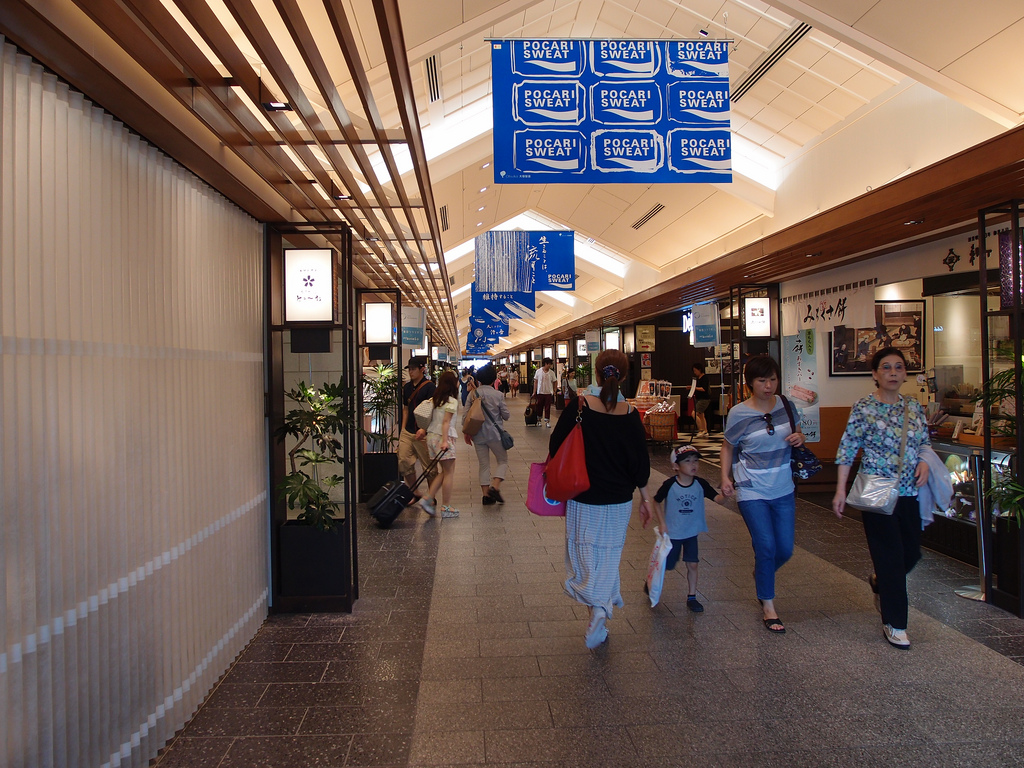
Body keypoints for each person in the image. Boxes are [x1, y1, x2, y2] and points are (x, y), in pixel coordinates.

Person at [550, 349, 652, 649]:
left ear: (596, 373)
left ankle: (596, 606)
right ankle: (600, 610)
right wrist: (645, 499)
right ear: (622, 376)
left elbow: (556, 445)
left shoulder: (579, 406)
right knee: (609, 555)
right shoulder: (631, 415)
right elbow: (640, 465)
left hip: (583, 496)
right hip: (619, 500)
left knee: (584, 555)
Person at [832, 347, 930, 650]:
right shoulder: (864, 407)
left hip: (909, 492)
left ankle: (880, 581)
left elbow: (924, 441)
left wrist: (924, 461)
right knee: (890, 557)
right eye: (886, 368)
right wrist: (840, 490)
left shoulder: (913, 407)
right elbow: (848, 449)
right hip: (876, 488)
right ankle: (895, 623)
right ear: (875, 374)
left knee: (911, 553)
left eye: (898, 367)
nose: (892, 373)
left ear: (904, 373)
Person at [720, 355, 806, 634]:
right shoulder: (738, 413)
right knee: (766, 546)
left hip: (783, 487)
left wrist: (799, 437)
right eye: (761, 380)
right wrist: (725, 477)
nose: (768, 386)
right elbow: (728, 446)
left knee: (785, 549)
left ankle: (762, 573)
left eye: (772, 379)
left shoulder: (786, 405)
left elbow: (798, 432)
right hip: (751, 488)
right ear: (750, 384)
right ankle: (768, 605)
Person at [650, 445, 722, 612]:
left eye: (695, 461)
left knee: (693, 564)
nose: (693, 464)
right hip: (673, 534)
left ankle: (692, 596)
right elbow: (656, 501)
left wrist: (726, 493)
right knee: (667, 565)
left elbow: (717, 499)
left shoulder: (700, 484)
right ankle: (651, 582)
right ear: (676, 466)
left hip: (691, 533)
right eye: (687, 461)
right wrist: (662, 522)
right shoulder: (669, 485)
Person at [416, 369, 461, 518]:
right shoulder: (452, 401)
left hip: (431, 437)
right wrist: (445, 441)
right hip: (443, 438)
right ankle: (446, 507)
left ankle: (428, 497)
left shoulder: (435, 399)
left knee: (445, 471)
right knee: (449, 473)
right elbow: (446, 422)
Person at [465, 363, 511, 506]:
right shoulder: (497, 394)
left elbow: (465, 415)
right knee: (502, 460)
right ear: (493, 379)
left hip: (478, 434)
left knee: (484, 465)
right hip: (495, 434)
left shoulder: (473, 394)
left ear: (479, 379)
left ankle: (486, 496)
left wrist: (467, 433)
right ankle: (495, 486)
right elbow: (506, 415)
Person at [399, 357, 437, 503]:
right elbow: (406, 409)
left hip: (424, 433)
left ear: (422, 369)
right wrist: (403, 429)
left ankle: (431, 497)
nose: (410, 372)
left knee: (429, 467)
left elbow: (432, 410)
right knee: (403, 461)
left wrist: (424, 428)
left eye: (413, 369)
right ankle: (415, 492)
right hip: (408, 431)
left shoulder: (430, 387)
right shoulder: (407, 388)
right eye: (409, 369)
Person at [533, 357, 558, 427]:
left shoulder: (551, 373)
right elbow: (535, 381)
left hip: (548, 393)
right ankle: (539, 420)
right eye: (549, 364)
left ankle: (547, 421)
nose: (550, 366)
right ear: (545, 364)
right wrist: (534, 392)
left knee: (547, 407)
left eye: (550, 364)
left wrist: (554, 390)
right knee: (539, 406)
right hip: (540, 392)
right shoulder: (538, 371)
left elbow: (555, 381)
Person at [692, 361, 712, 436]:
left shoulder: (705, 378)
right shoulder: (698, 378)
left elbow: (704, 389)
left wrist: (694, 388)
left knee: (694, 414)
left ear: (699, 369)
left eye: (695, 370)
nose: (695, 372)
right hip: (699, 398)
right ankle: (705, 430)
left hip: (704, 399)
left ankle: (701, 430)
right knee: (701, 415)